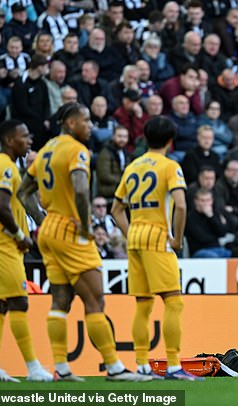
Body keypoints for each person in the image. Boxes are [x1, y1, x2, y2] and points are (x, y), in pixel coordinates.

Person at [18, 102, 150, 382]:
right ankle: (114, 367)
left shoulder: (47, 150)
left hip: (50, 229)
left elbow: (22, 191)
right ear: (70, 123)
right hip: (71, 229)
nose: (90, 125)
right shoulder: (76, 150)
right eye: (86, 120)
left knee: (60, 300)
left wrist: (41, 219)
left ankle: (62, 368)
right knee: (95, 300)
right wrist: (86, 224)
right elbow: (80, 189)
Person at [110, 116, 202, 381]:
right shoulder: (170, 166)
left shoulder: (132, 166)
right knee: (173, 301)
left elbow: (116, 209)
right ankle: (173, 365)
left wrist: (131, 234)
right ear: (171, 141)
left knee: (143, 303)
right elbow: (181, 205)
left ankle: (141, 364)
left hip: (136, 237)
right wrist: (177, 239)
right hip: (158, 237)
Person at [0, 120, 52, 383]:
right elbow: (1, 206)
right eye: (24, 136)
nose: (29, 141)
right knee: (20, 301)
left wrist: (40, 219)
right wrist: (20, 235)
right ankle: (33, 367)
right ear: (10, 140)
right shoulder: (7, 168)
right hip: (3, 242)